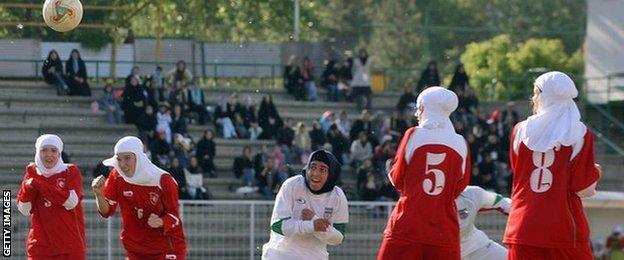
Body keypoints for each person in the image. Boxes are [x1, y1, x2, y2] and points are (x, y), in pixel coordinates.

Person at [504, 71, 601, 260]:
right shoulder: (580, 134)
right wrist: (596, 172)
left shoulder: (519, 131)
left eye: (536, 92)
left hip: (523, 228)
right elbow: (583, 189)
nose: (533, 98)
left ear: (544, 95)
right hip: (563, 229)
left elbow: (521, 175)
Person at [378, 87, 470, 260]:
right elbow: (460, 186)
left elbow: (397, 180)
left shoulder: (414, 134)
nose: (417, 114)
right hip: (444, 229)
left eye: (420, 108)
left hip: (408, 224)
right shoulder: (461, 142)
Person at [92, 136, 187, 259]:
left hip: (167, 249)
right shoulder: (116, 176)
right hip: (135, 250)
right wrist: (99, 194)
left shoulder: (163, 179)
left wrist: (161, 221)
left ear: (139, 157)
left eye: (127, 158)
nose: (122, 164)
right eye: (119, 159)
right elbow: (106, 212)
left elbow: (174, 217)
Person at [262, 150, 348, 260]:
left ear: (331, 174)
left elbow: (339, 237)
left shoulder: (338, 196)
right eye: (312, 167)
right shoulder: (292, 185)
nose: (315, 173)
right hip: (280, 254)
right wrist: (311, 225)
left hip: (315, 256)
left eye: (322, 169)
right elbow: (277, 226)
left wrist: (318, 224)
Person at [16, 134, 86, 259]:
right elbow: (24, 209)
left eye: (53, 150)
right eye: (44, 150)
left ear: (59, 154)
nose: (49, 155)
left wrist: (39, 185)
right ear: (38, 152)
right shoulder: (32, 174)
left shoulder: (70, 171)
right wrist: (28, 188)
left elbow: (71, 202)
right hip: (39, 248)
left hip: (69, 248)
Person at [456, 186, 510, 260]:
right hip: (445, 251)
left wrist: (525, 212)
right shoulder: (435, 203)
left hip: (477, 245)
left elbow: (501, 202)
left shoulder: (471, 193)